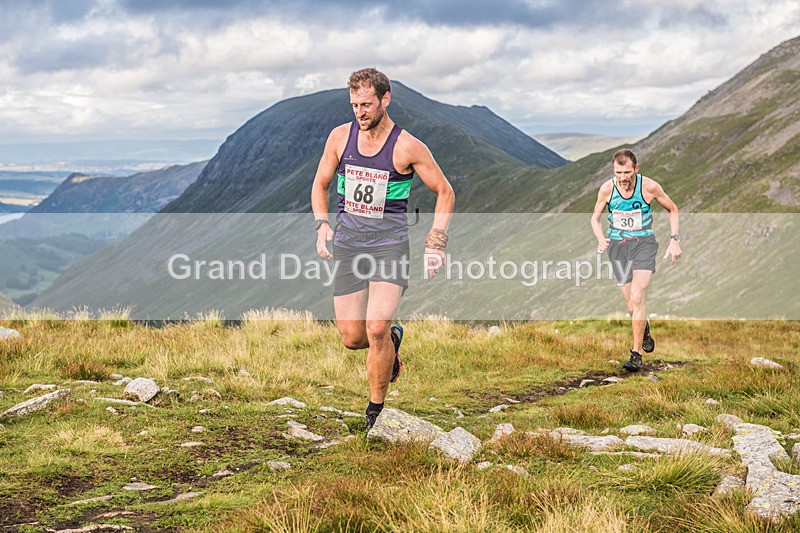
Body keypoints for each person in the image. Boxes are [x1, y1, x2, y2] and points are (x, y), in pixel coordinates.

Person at [310, 68, 455, 429]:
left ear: (385, 100)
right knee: (352, 337)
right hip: (349, 245)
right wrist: (322, 223)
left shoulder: (407, 146)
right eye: (354, 104)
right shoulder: (339, 138)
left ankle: (375, 411)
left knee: (374, 328)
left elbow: (445, 192)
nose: (360, 112)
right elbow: (320, 184)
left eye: (367, 104)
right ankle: (393, 340)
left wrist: (435, 241)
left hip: (390, 246)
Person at [590, 148, 681, 372]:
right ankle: (645, 329)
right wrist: (601, 239)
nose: (623, 178)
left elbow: (673, 209)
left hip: (644, 244)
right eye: (618, 172)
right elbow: (595, 219)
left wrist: (674, 240)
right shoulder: (607, 189)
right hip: (617, 248)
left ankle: (636, 354)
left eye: (627, 172)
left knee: (638, 295)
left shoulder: (649, 187)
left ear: (636, 169)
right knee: (632, 306)